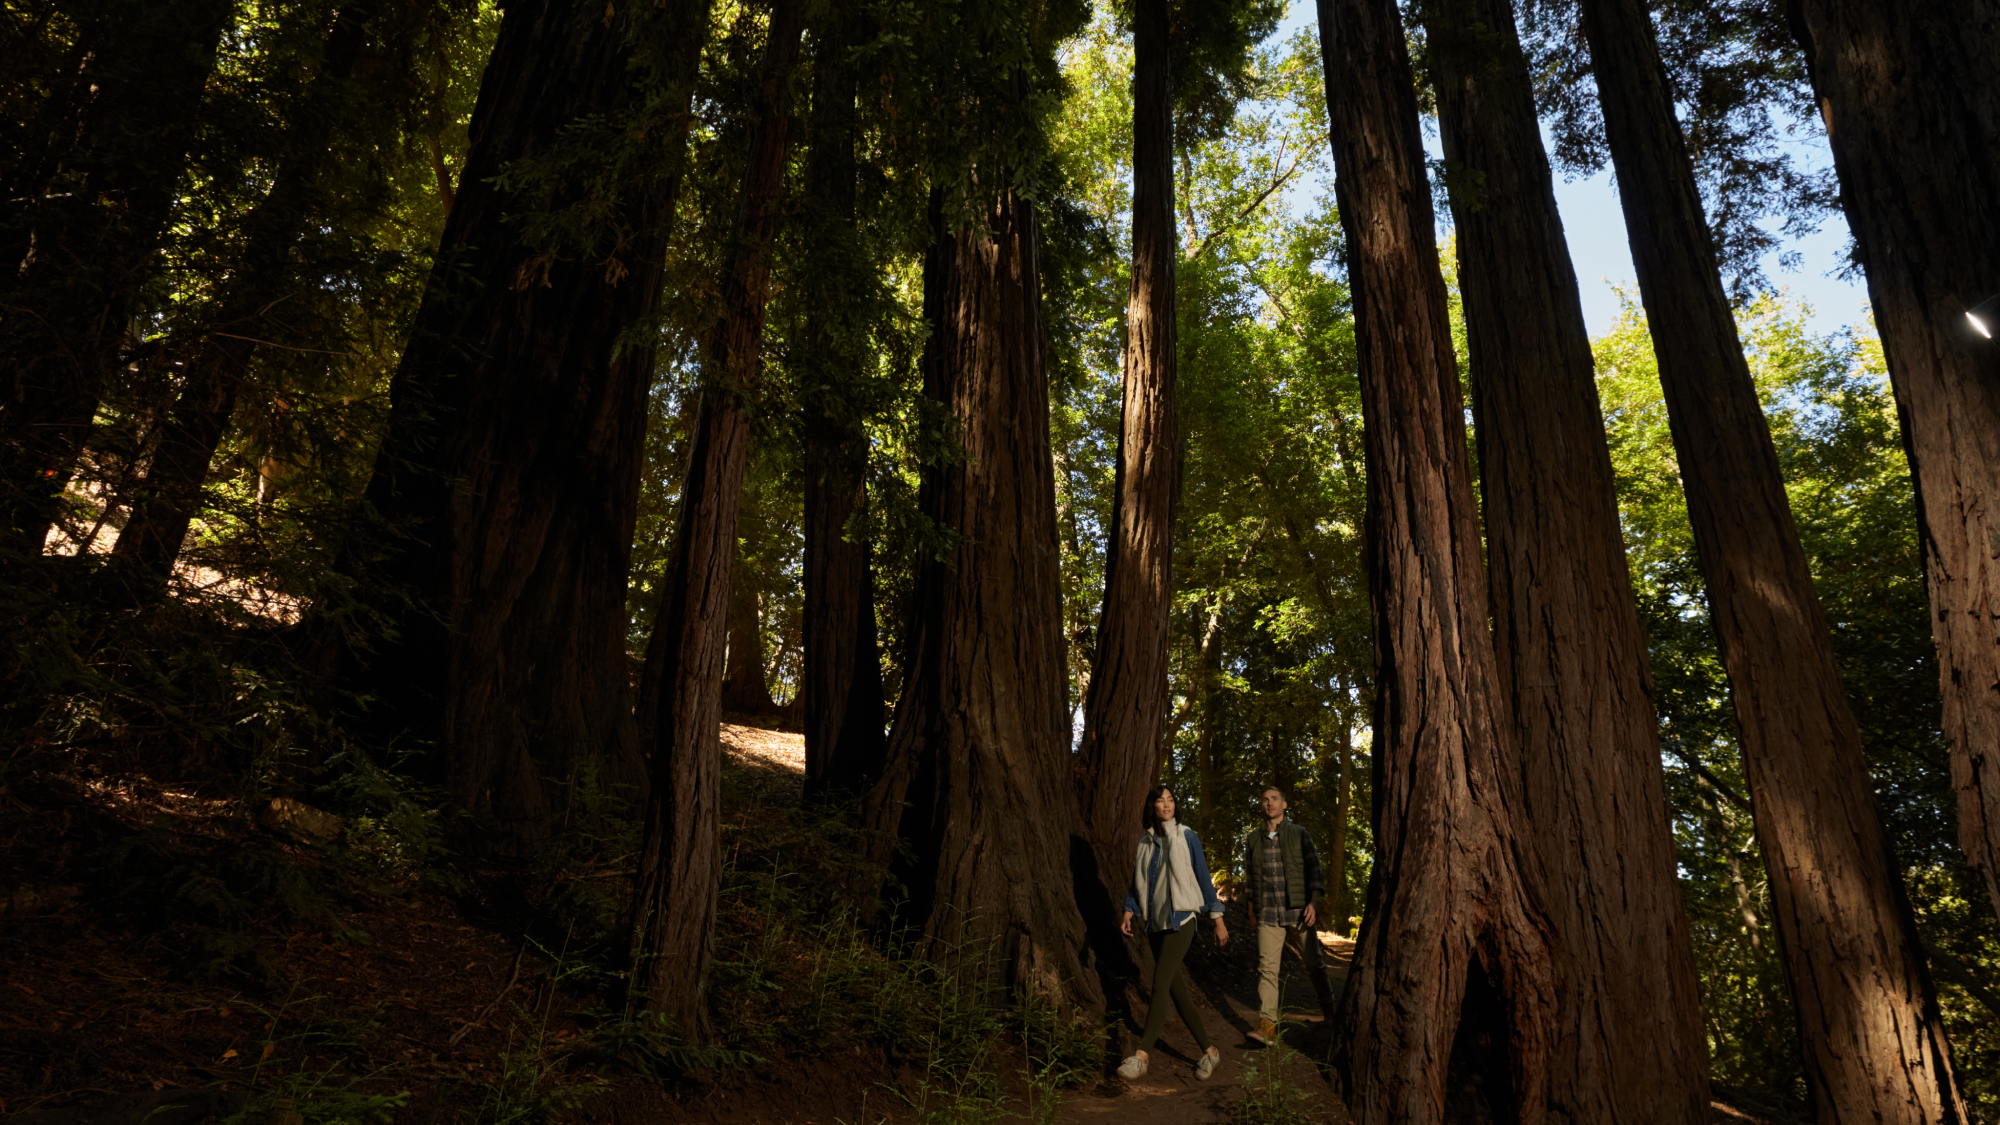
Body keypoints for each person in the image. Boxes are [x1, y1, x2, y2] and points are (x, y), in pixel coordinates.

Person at [1117, 785, 1228, 1082]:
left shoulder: (1187, 836)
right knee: (1177, 991)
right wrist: (1129, 910)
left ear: (1175, 806)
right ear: (1152, 807)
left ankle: (1141, 1056)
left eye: (1170, 800)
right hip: (1156, 923)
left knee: (1160, 984)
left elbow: (1203, 878)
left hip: (1183, 920)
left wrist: (1217, 918)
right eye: (1159, 800)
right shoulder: (1146, 842)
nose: (1166, 804)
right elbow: (1137, 881)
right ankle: (1210, 1051)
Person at [1241, 784, 1339, 1045]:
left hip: (1298, 912)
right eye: (1264, 799)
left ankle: (1330, 1012)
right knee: (1267, 970)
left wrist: (1313, 903)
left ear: (1284, 804)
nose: (1269, 803)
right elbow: (1250, 880)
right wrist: (1252, 912)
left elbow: (1314, 871)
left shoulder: (1299, 834)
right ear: (1261, 805)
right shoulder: (1252, 839)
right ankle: (1268, 1026)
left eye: (1274, 799)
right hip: (1267, 914)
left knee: (1314, 963)